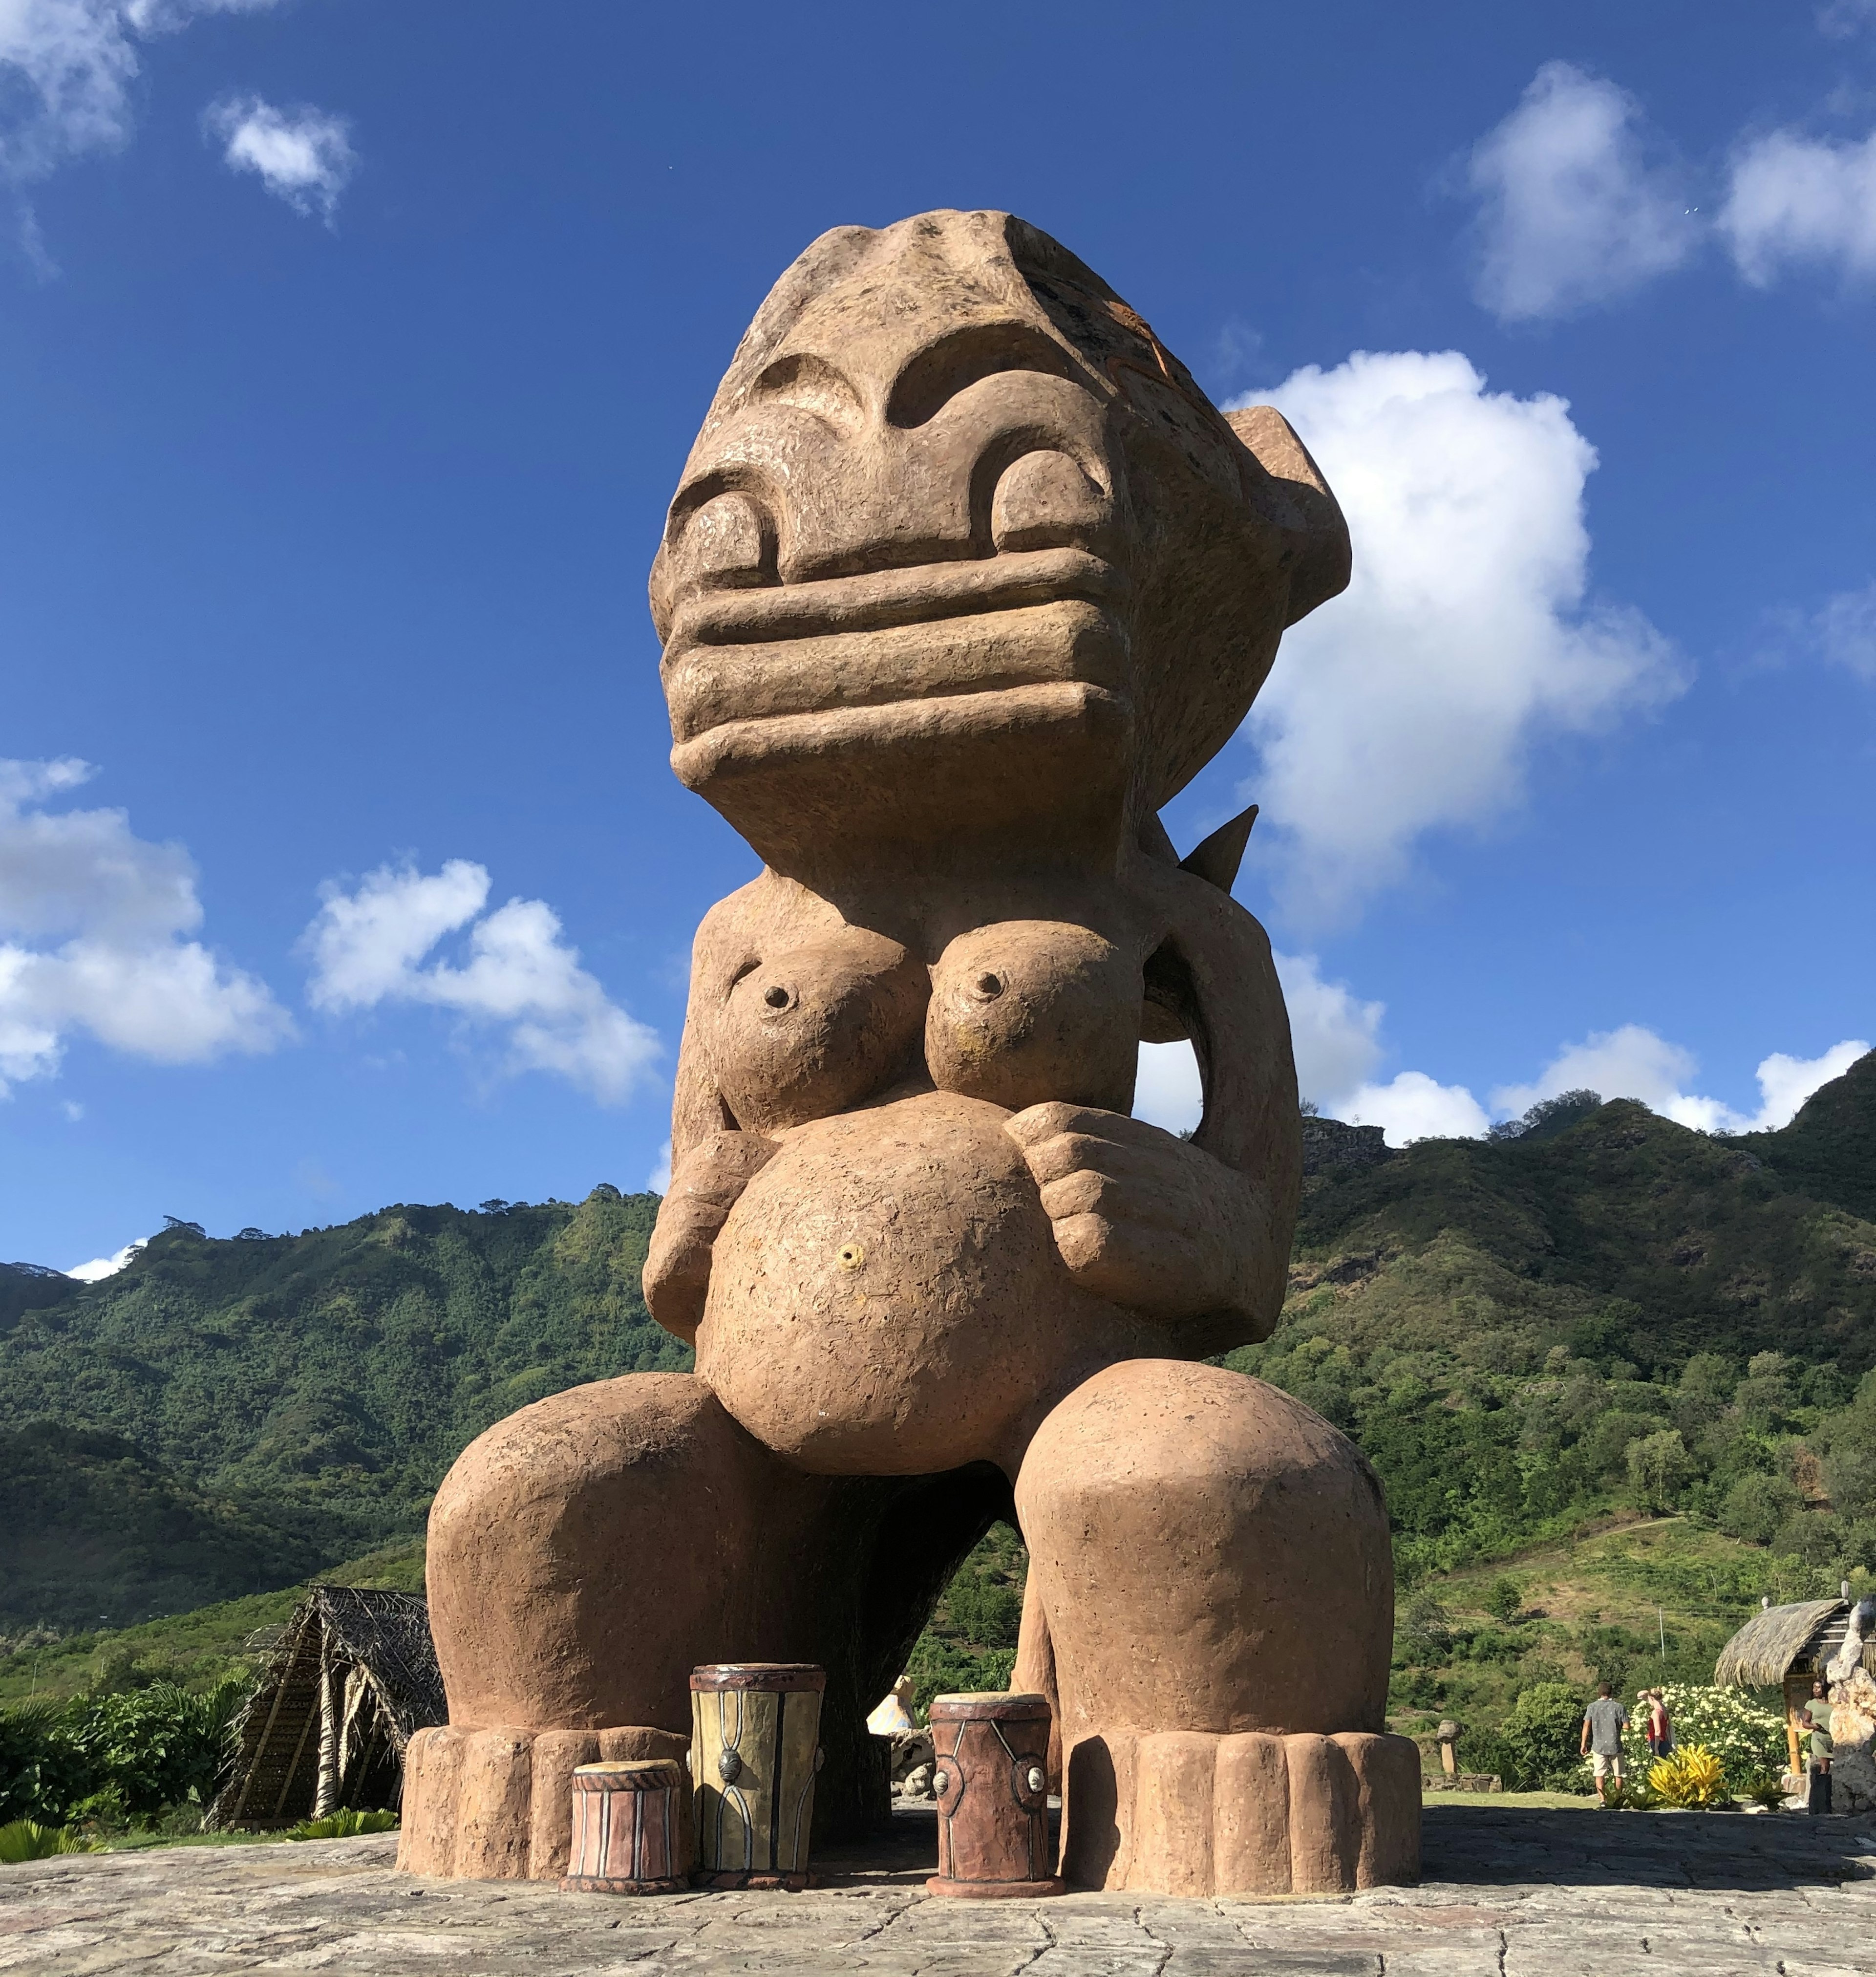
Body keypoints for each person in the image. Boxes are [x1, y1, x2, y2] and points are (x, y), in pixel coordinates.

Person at [1581, 1681, 1629, 1789]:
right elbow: (1626, 1726)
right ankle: (1617, 1799)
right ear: (1611, 1693)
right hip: (1615, 1745)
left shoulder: (1592, 1707)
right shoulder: (1620, 1707)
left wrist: (1583, 1744)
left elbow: (1586, 1726)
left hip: (1599, 1746)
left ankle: (1603, 1801)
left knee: (1599, 1775)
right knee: (1618, 1774)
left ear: (1599, 1693)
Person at [1802, 1706, 1834, 1815]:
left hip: (1833, 1739)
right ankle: (1820, 1804)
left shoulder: (1834, 1701)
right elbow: (1805, 1723)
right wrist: (1814, 1726)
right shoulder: (1812, 1704)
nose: (1816, 1690)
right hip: (1818, 1739)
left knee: (1831, 1768)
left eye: (1818, 1688)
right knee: (1824, 1767)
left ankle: (1827, 1801)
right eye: (1815, 1688)